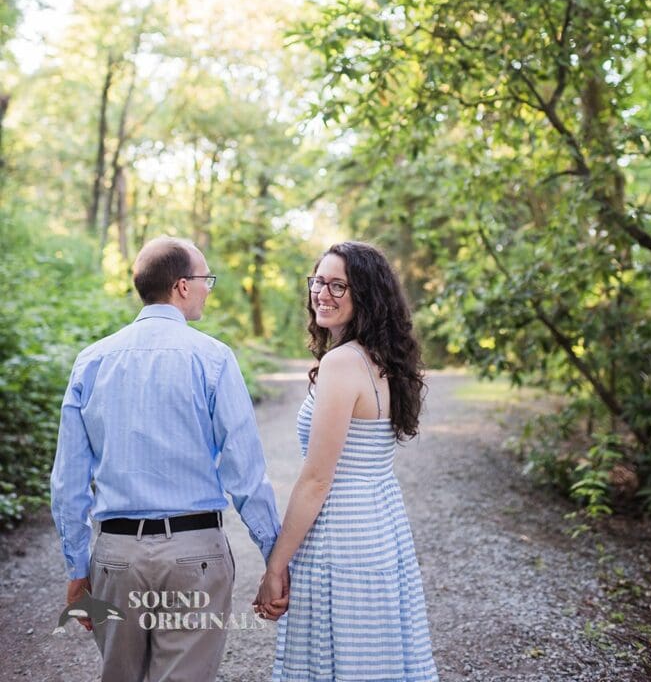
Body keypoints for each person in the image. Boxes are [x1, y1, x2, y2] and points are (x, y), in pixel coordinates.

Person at [51, 235, 281, 682]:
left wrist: (77, 568)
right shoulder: (213, 359)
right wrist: (274, 557)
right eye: (204, 279)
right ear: (180, 286)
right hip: (194, 556)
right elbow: (246, 474)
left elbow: (68, 482)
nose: (207, 288)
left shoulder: (91, 361)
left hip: (116, 558)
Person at [254, 240, 439, 682]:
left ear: (367, 297)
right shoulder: (383, 361)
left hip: (340, 537)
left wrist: (275, 566)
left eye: (339, 286)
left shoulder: (340, 363)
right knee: (375, 658)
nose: (323, 293)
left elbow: (317, 480)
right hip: (381, 530)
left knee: (333, 660)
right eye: (319, 280)